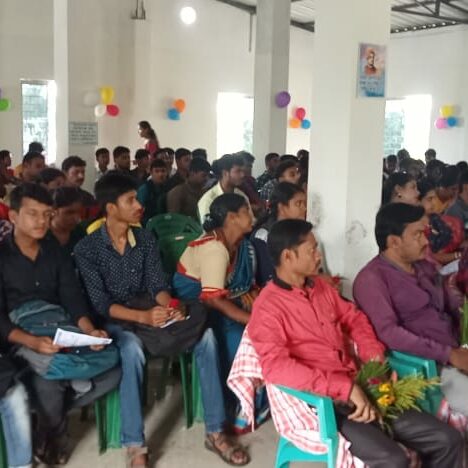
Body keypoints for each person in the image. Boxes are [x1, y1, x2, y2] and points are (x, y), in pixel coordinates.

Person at [250, 218, 463, 468]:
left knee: (448, 439)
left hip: (361, 386)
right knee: (393, 460)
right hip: (325, 405)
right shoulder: (268, 307)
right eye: (312, 250)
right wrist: (344, 388)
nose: (319, 256)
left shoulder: (320, 288)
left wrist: (374, 360)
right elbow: (275, 367)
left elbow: (355, 318)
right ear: (288, 257)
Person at [74, 173, 250, 467]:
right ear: (111, 208)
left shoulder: (144, 238)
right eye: (130, 200)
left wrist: (171, 307)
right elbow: (101, 304)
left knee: (206, 337)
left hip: (151, 309)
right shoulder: (88, 249)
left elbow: (158, 286)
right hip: (118, 319)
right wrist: (143, 316)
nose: (139, 205)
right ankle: (135, 445)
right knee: (130, 350)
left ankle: (216, 431)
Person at [0, 183, 119, 465]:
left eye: (46, 214)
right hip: (17, 338)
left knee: (114, 368)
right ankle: (52, 435)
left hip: (58, 329)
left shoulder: (55, 252)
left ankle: (48, 419)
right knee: (49, 383)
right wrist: (33, 342)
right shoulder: (2, 257)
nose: (42, 221)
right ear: (13, 216)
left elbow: (72, 298)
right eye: (33, 214)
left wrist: (89, 331)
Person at [354, 203, 468, 419]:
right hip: (426, 366)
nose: (425, 241)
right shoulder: (372, 279)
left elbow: (448, 307)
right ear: (394, 242)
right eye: (417, 235)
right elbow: (389, 333)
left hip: (454, 352)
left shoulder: (423, 267)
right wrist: (449, 355)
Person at [173, 194, 260, 426]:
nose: (252, 215)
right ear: (231, 218)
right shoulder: (214, 248)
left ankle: (249, 399)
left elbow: (232, 288)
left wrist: (246, 296)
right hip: (194, 310)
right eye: (246, 211)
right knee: (243, 337)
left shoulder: (240, 245)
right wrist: (252, 320)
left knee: (253, 331)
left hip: (217, 305)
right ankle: (236, 402)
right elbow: (213, 301)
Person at [251, 182, 306, 287]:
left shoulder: (300, 233)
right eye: (298, 204)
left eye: (304, 204)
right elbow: (268, 277)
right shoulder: (263, 236)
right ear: (282, 207)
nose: (304, 208)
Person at [198, 154, 253, 224]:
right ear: (225, 173)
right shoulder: (209, 199)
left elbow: (251, 222)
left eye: (243, 171)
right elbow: (207, 228)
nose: (243, 175)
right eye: (238, 171)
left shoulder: (242, 196)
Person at [49, 186, 86, 255]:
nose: (76, 218)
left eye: (79, 212)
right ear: (53, 211)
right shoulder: (39, 235)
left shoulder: (80, 233)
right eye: (69, 213)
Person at [137, 160, 168, 225]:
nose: (160, 174)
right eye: (157, 171)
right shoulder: (144, 189)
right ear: (151, 173)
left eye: (163, 171)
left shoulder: (168, 188)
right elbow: (139, 212)